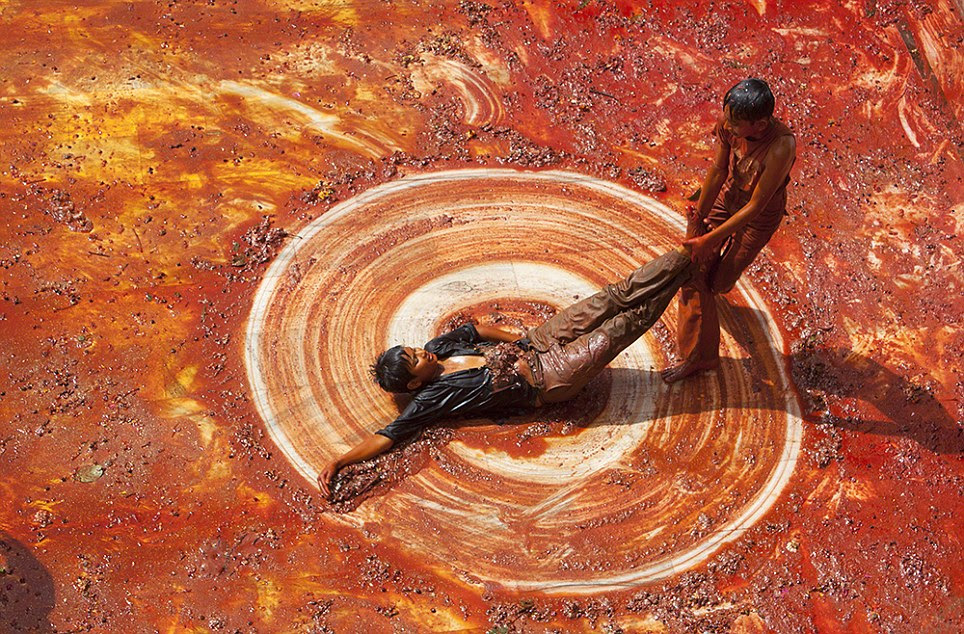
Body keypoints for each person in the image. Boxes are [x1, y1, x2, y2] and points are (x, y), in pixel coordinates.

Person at [317, 246, 695, 496]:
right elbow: (387, 436)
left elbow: (475, 330)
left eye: (414, 349)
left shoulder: (438, 348)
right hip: (548, 376)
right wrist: (340, 460)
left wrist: (517, 337)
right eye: (416, 359)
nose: (423, 353)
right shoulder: (430, 399)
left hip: (537, 342)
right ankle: (689, 273)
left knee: (611, 297)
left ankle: (685, 256)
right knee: (623, 326)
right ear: (415, 382)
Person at [661, 78, 796, 383]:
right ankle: (701, 358)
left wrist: (709, 239)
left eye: (736, 124)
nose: (727, 126)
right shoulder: (730, 121)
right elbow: (719, 170)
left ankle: (711, 291)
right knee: (697, 273)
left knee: (720, 283)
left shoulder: (780, 147)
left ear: (760, 125)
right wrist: (701, 216)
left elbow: (757, 206)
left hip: (757, 217)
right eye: (727, 118)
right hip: (731, 198)